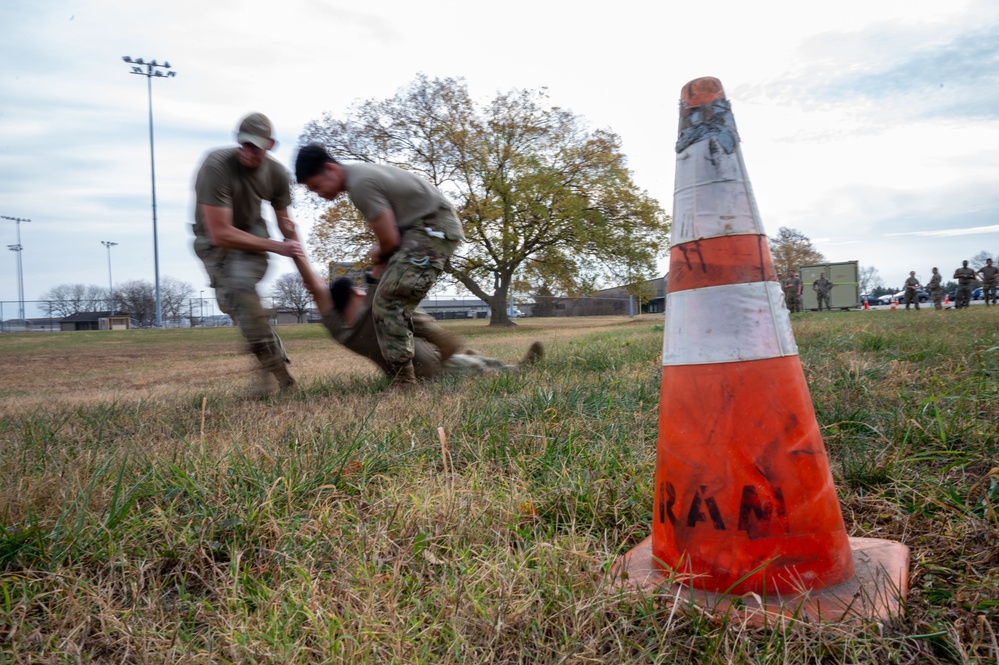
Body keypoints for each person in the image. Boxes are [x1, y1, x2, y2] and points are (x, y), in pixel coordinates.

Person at [295, 143, 465, 388]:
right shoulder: (360, 176)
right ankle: (438, 348)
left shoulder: (360, 185)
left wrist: (377, 250)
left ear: (330, 169)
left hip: (431, 229)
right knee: (387, 302)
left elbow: (389, 240)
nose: (318, 194)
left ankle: (407, 380)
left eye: (316, 186)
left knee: (387, 304)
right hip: (427, 229)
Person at [293, 254, 542, 381]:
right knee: (474, 365)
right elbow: (380, 266)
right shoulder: (375, 307)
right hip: (431, 371)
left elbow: (317, 290)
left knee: (471, 355)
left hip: (414, 369)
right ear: (356, 292)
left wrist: (296, 252)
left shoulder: (342, 332)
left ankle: (502, 364)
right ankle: (516, 370)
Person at [193, 113, 305, 393]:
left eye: (255, 147)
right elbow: (221, 232)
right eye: (243, 144)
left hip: (252, 234)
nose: (248, 152)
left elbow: (285, 222)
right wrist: (279, 247)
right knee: (237, 306)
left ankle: (281, 380)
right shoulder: (216, 166)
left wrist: (302, 264)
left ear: (270, 145)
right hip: (213, 241)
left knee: (240, 288)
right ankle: (269, 348)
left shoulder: (277, 174)